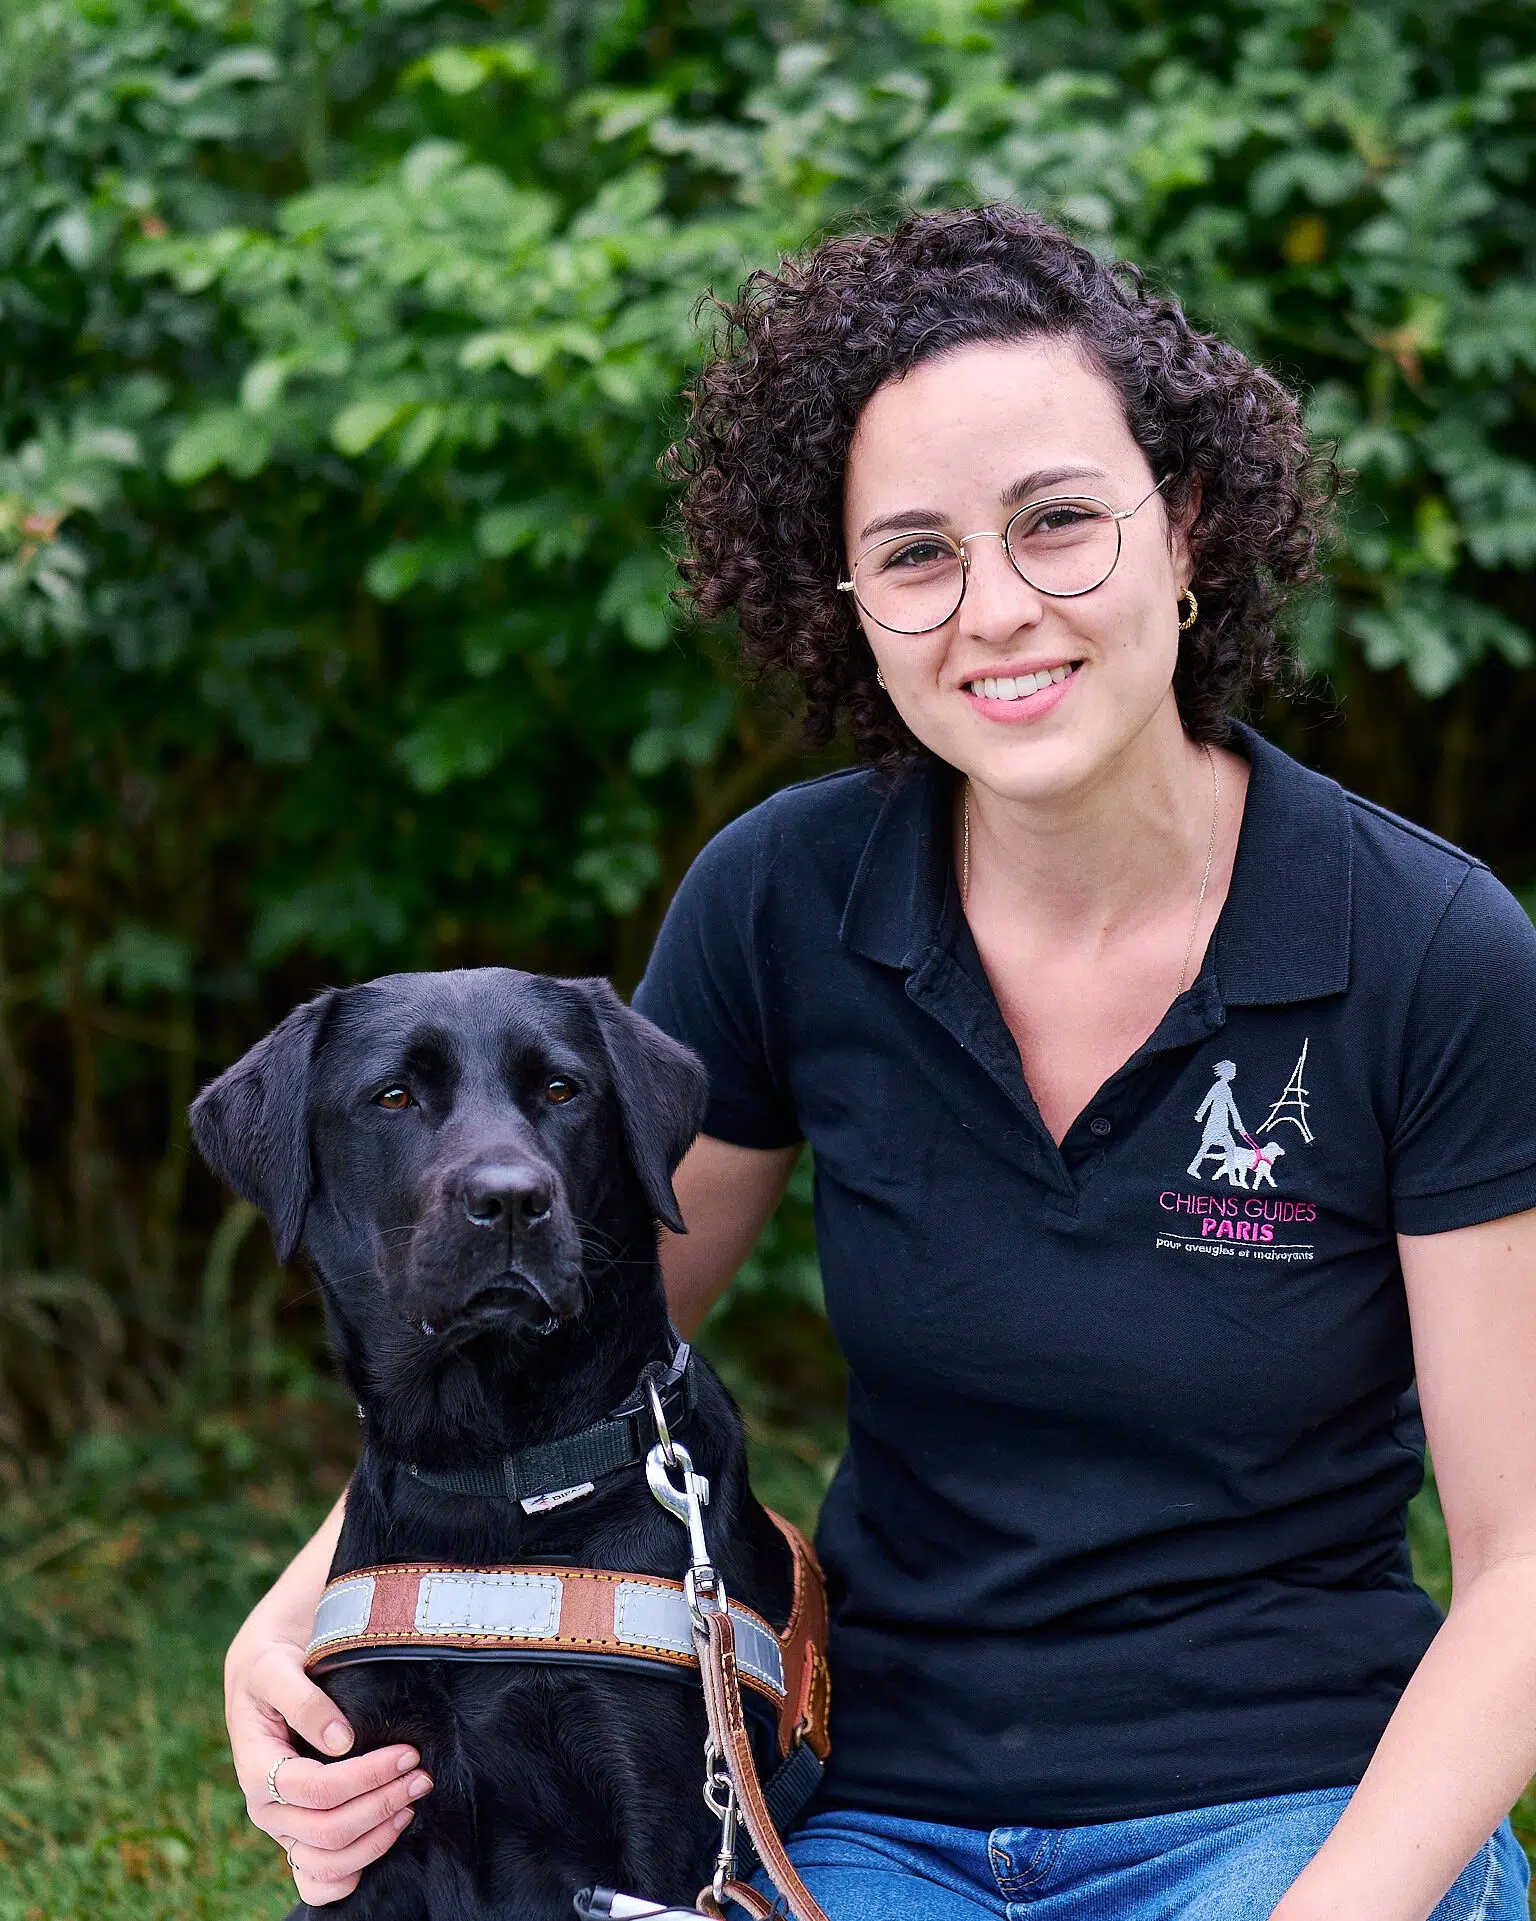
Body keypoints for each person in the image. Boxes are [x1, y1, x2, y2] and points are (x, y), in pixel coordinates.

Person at [222, 207, 1536, 1919]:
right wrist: (320, 1600)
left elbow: (1518, 1567)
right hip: (875, 1813)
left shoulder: (1429, 954)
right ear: (846, 598)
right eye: (915, 555)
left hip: (1281, 1809)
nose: (996, 609)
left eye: (1059, 521)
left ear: (1188, 521)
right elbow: (578, 1306)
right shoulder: (784, 899)